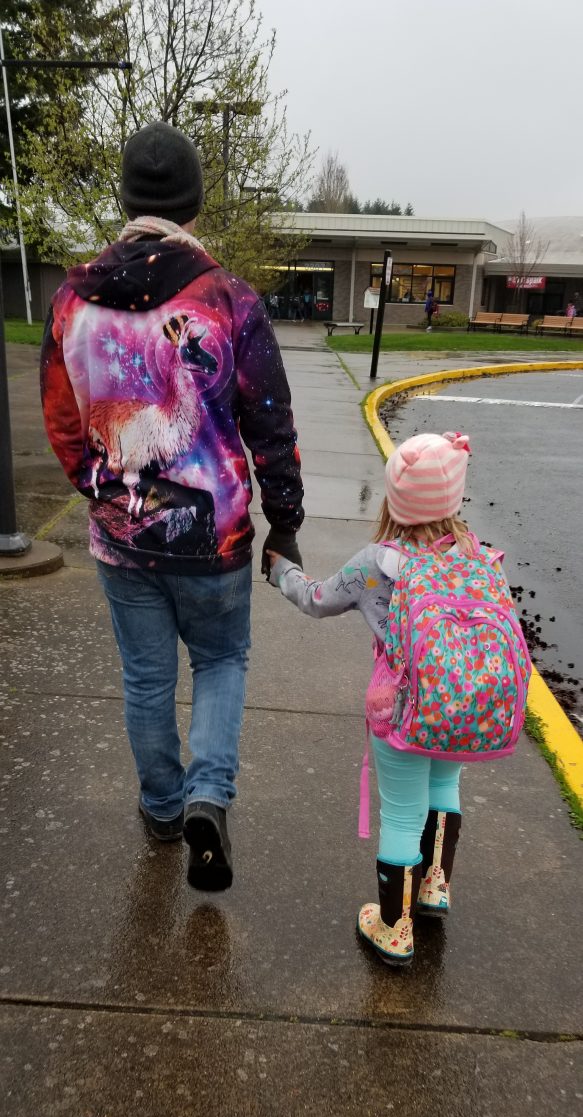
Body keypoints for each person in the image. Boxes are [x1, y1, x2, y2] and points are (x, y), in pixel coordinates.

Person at [41, 121, 304, 891]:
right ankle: (206, 797)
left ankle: (162, 808)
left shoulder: (69, 302)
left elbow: (64, 427)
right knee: (221, 660)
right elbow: (271, 424)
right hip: (213, 539)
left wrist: (108, 496)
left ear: (126, 197)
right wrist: (282, 520)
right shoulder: (228, 298)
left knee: (146, 678)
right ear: (193, 203)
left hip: (122, 540)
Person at [267, 432, 528, 965]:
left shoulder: (377, 562)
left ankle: (393, 928)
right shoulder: (478, 556)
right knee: (445, 785)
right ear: (454, 497)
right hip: (462, 706)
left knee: (402, 814)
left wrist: (282, 571)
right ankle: (434, 888)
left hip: (400, 708)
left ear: (393, 498)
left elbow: (318, 600)